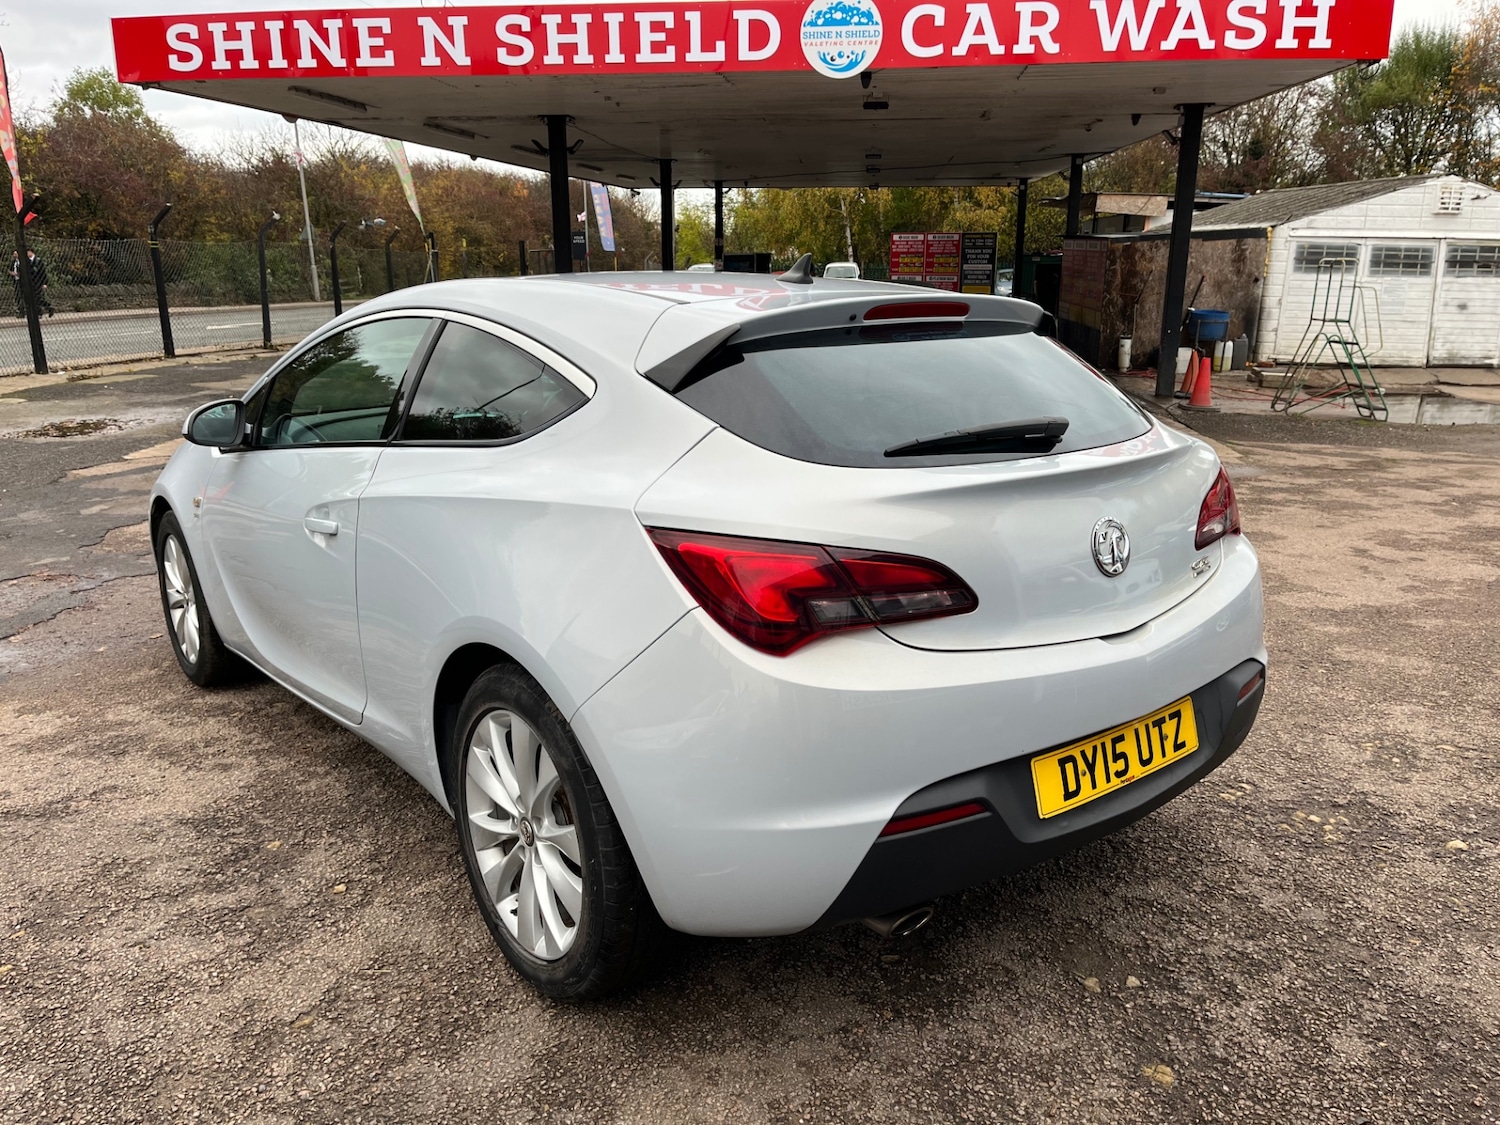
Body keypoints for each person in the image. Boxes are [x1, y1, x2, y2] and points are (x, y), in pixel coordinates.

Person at [25, 248, 54, 317]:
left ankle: (39, 313)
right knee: (35, 298)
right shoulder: (27, 261)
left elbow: (43, 273)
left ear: (31, 252)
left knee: (37, 298)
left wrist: (45, 283)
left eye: (27, 252)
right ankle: (49, 307)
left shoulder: (38, 261)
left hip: (38, 282)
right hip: (31, 283)